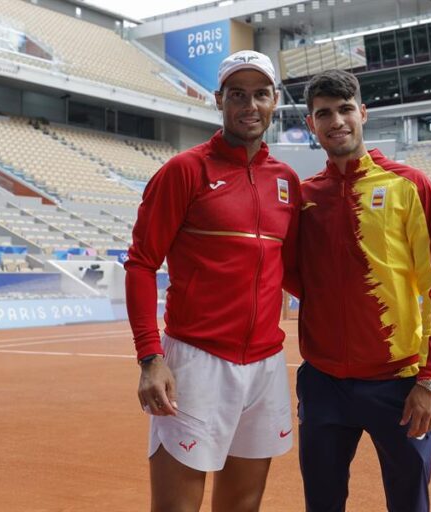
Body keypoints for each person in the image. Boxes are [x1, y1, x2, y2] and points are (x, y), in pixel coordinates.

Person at [124, 50, 300, 512]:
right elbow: (141, 262)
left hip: (265, 364)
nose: (250, 105)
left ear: (274, 100)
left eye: (260, 94)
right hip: (196, 362)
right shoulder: (185, 170)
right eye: (237, 95)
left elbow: (297, 273)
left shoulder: (285, 181)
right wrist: (150, 357)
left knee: (243, 505)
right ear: (219, 100)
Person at [296, 69, 431, 512]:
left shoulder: (408, 185)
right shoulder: (305, 198)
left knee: (409, 504)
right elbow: (297, 280)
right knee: (322, 504)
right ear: (312, 125)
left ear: (363, 113)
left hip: (399, 385)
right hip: (323, 382)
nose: (336, 121)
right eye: (323, 113)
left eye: (345, 109)